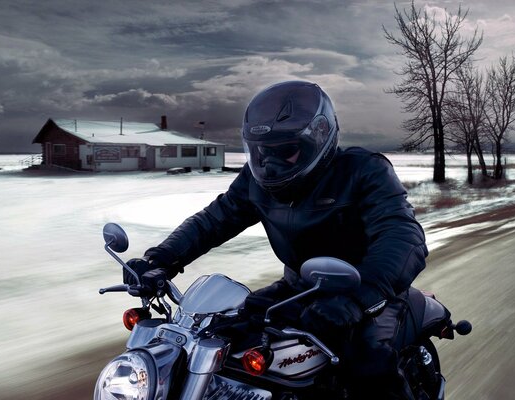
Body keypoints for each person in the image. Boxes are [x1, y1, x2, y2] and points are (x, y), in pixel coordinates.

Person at [124, 81, 428, 399]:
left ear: (319, 138)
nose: (270, 163)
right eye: (262, 151)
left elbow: (403, 237)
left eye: (285, 151)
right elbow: (213, 220)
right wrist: (160, 260)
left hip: (369, 292)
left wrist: (357, 298)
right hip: (298, 288)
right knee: (225, 335)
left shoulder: (364, 171)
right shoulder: (256, 181)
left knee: (369, 364)